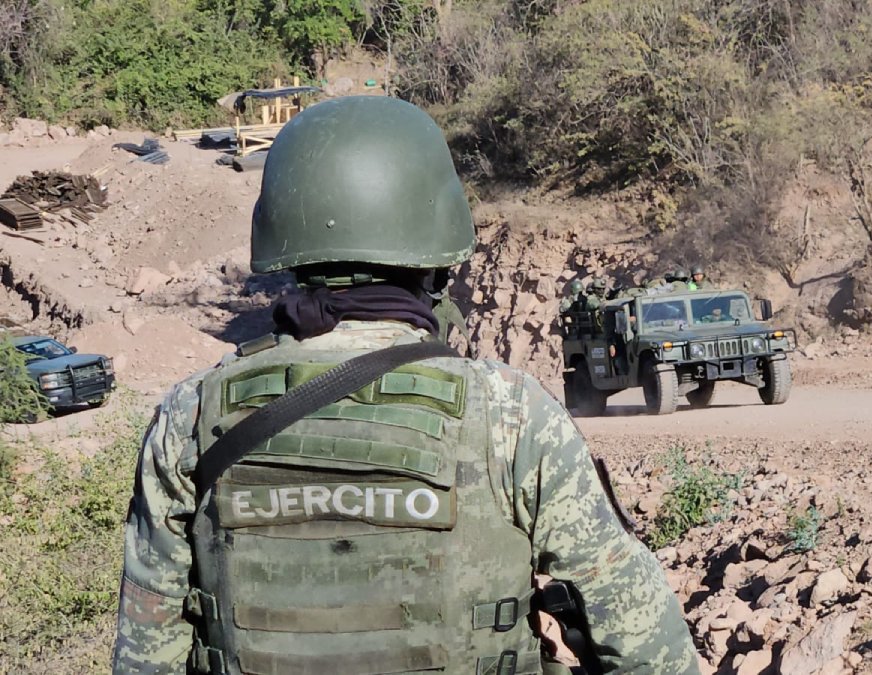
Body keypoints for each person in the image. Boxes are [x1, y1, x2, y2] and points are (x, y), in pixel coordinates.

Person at [112, 96, 700, 675]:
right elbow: (640, 635)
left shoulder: (191, 414)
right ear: (435, 262)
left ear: (285, 249)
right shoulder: (510, 412)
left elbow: (146, 651)